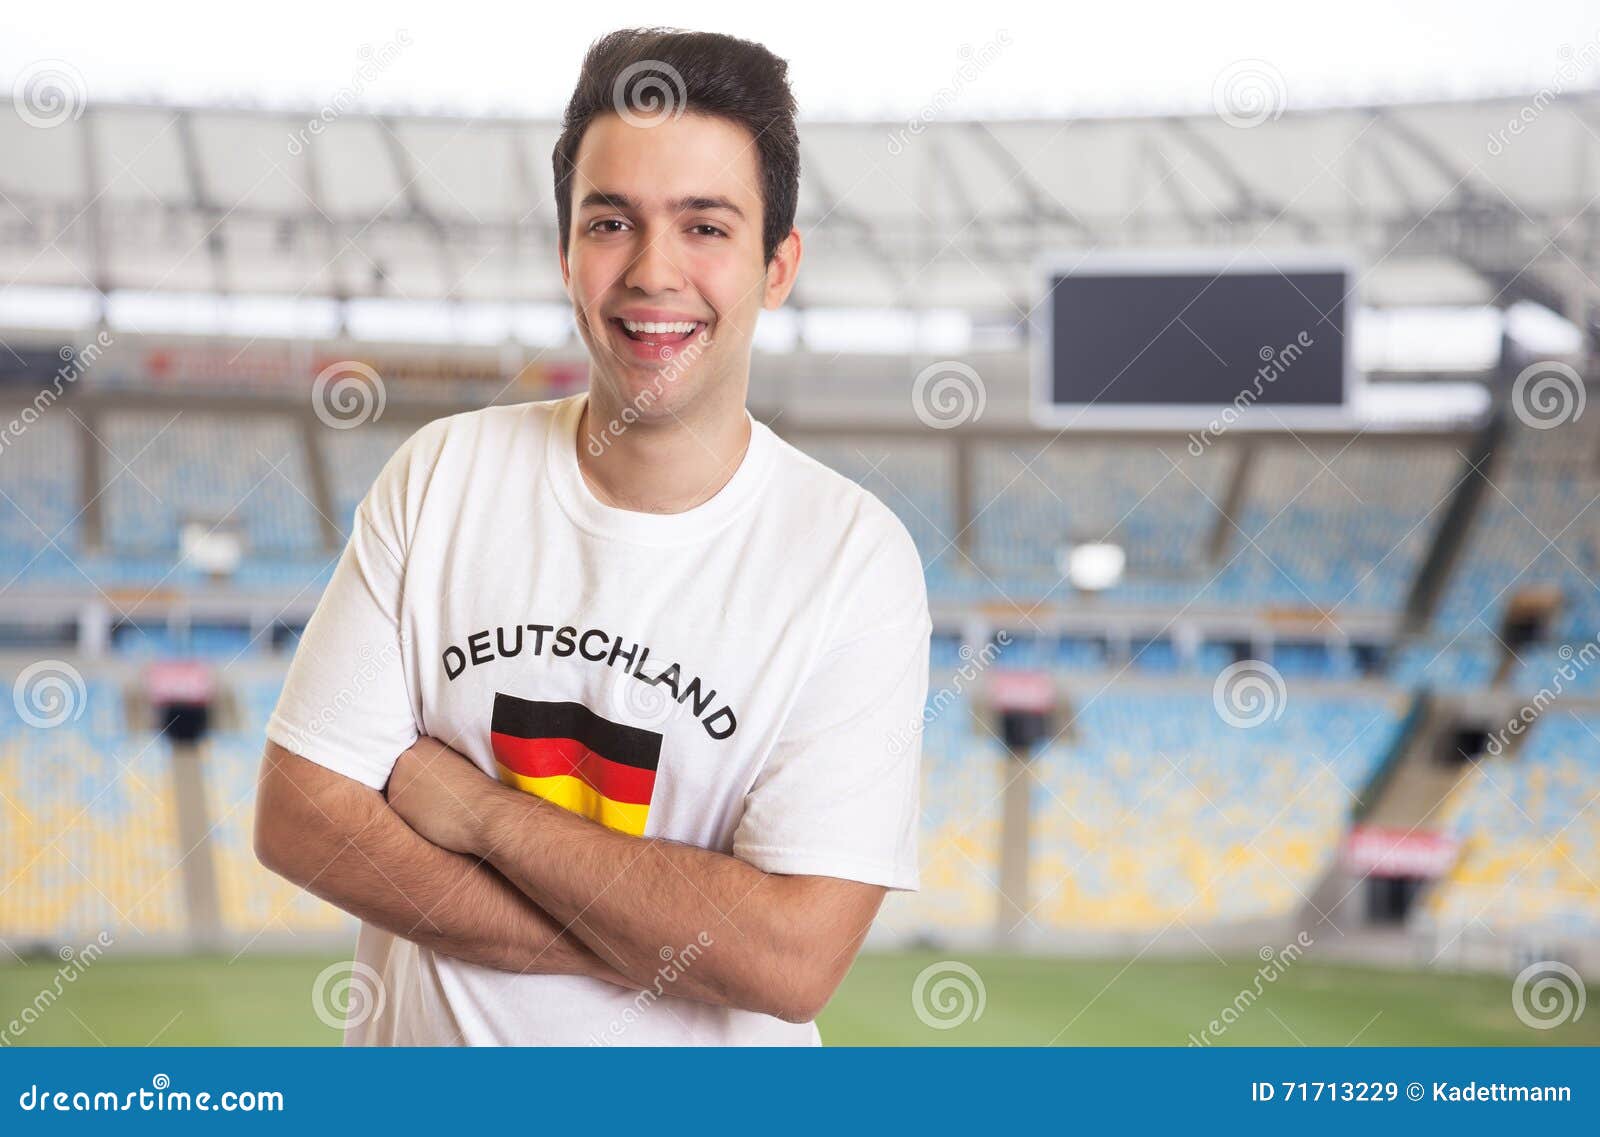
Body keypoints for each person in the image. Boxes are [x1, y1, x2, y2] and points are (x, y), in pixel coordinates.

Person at [254, 26, 931, 1046]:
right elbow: (301, 820)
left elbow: (789, 961)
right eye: (613, 221)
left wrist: (480, 817)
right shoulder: (442, 477)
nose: (653, 272)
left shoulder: (852, 560)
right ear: (566, 253)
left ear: (777, 265)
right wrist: (676, 947)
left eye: (705, 227)